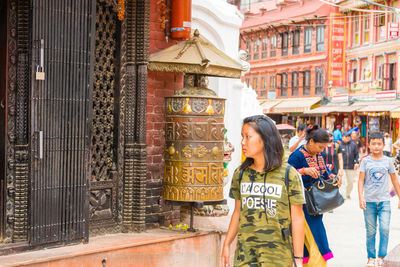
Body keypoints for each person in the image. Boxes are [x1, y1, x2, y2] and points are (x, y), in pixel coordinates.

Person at [222, 115, 305, 267]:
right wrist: (226, 244)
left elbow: (298, 218)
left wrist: (298, 259)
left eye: (248, 137)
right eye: (242, 137)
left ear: (265, 139)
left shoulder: (288, 174)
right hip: (245, 257)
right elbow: (237, 212)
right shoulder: (241, 173)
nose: (242, 142)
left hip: (278, 257)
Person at [288, 125, 334, 266]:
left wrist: (333, 176)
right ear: (311, 141)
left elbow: (325, 172)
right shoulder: (297, 155)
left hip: (317, 204)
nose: (322, 150)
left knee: (315, 237)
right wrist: (303, 171)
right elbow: (286, 174)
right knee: (312, 238)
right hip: (302, 204)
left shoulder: (318, 154)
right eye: (321, 147)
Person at [358, 132, 400, 267]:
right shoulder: (365, 161)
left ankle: (381, 256)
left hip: (384, 202)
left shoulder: (388, 161)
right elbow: (360, 180)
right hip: (369, 202)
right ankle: (371, 257)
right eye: (373, 144)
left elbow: (394, 180)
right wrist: (360, 197)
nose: (376, 146)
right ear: (369, 145)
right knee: (370, 231)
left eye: (379, 144)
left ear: (383, 145)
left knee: (385, 229)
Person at [340, 132, 359, 199]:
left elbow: (356, 154)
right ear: (342, 138)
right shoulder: (339, 146)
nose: (347, 137)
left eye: (348, 136)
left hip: (351, 166)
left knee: (350, 182)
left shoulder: (353, 145)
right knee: (343, 182)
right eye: (346, 136)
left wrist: (357, 162)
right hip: (342, 167)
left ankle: (348, 193)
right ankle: (343, 195)